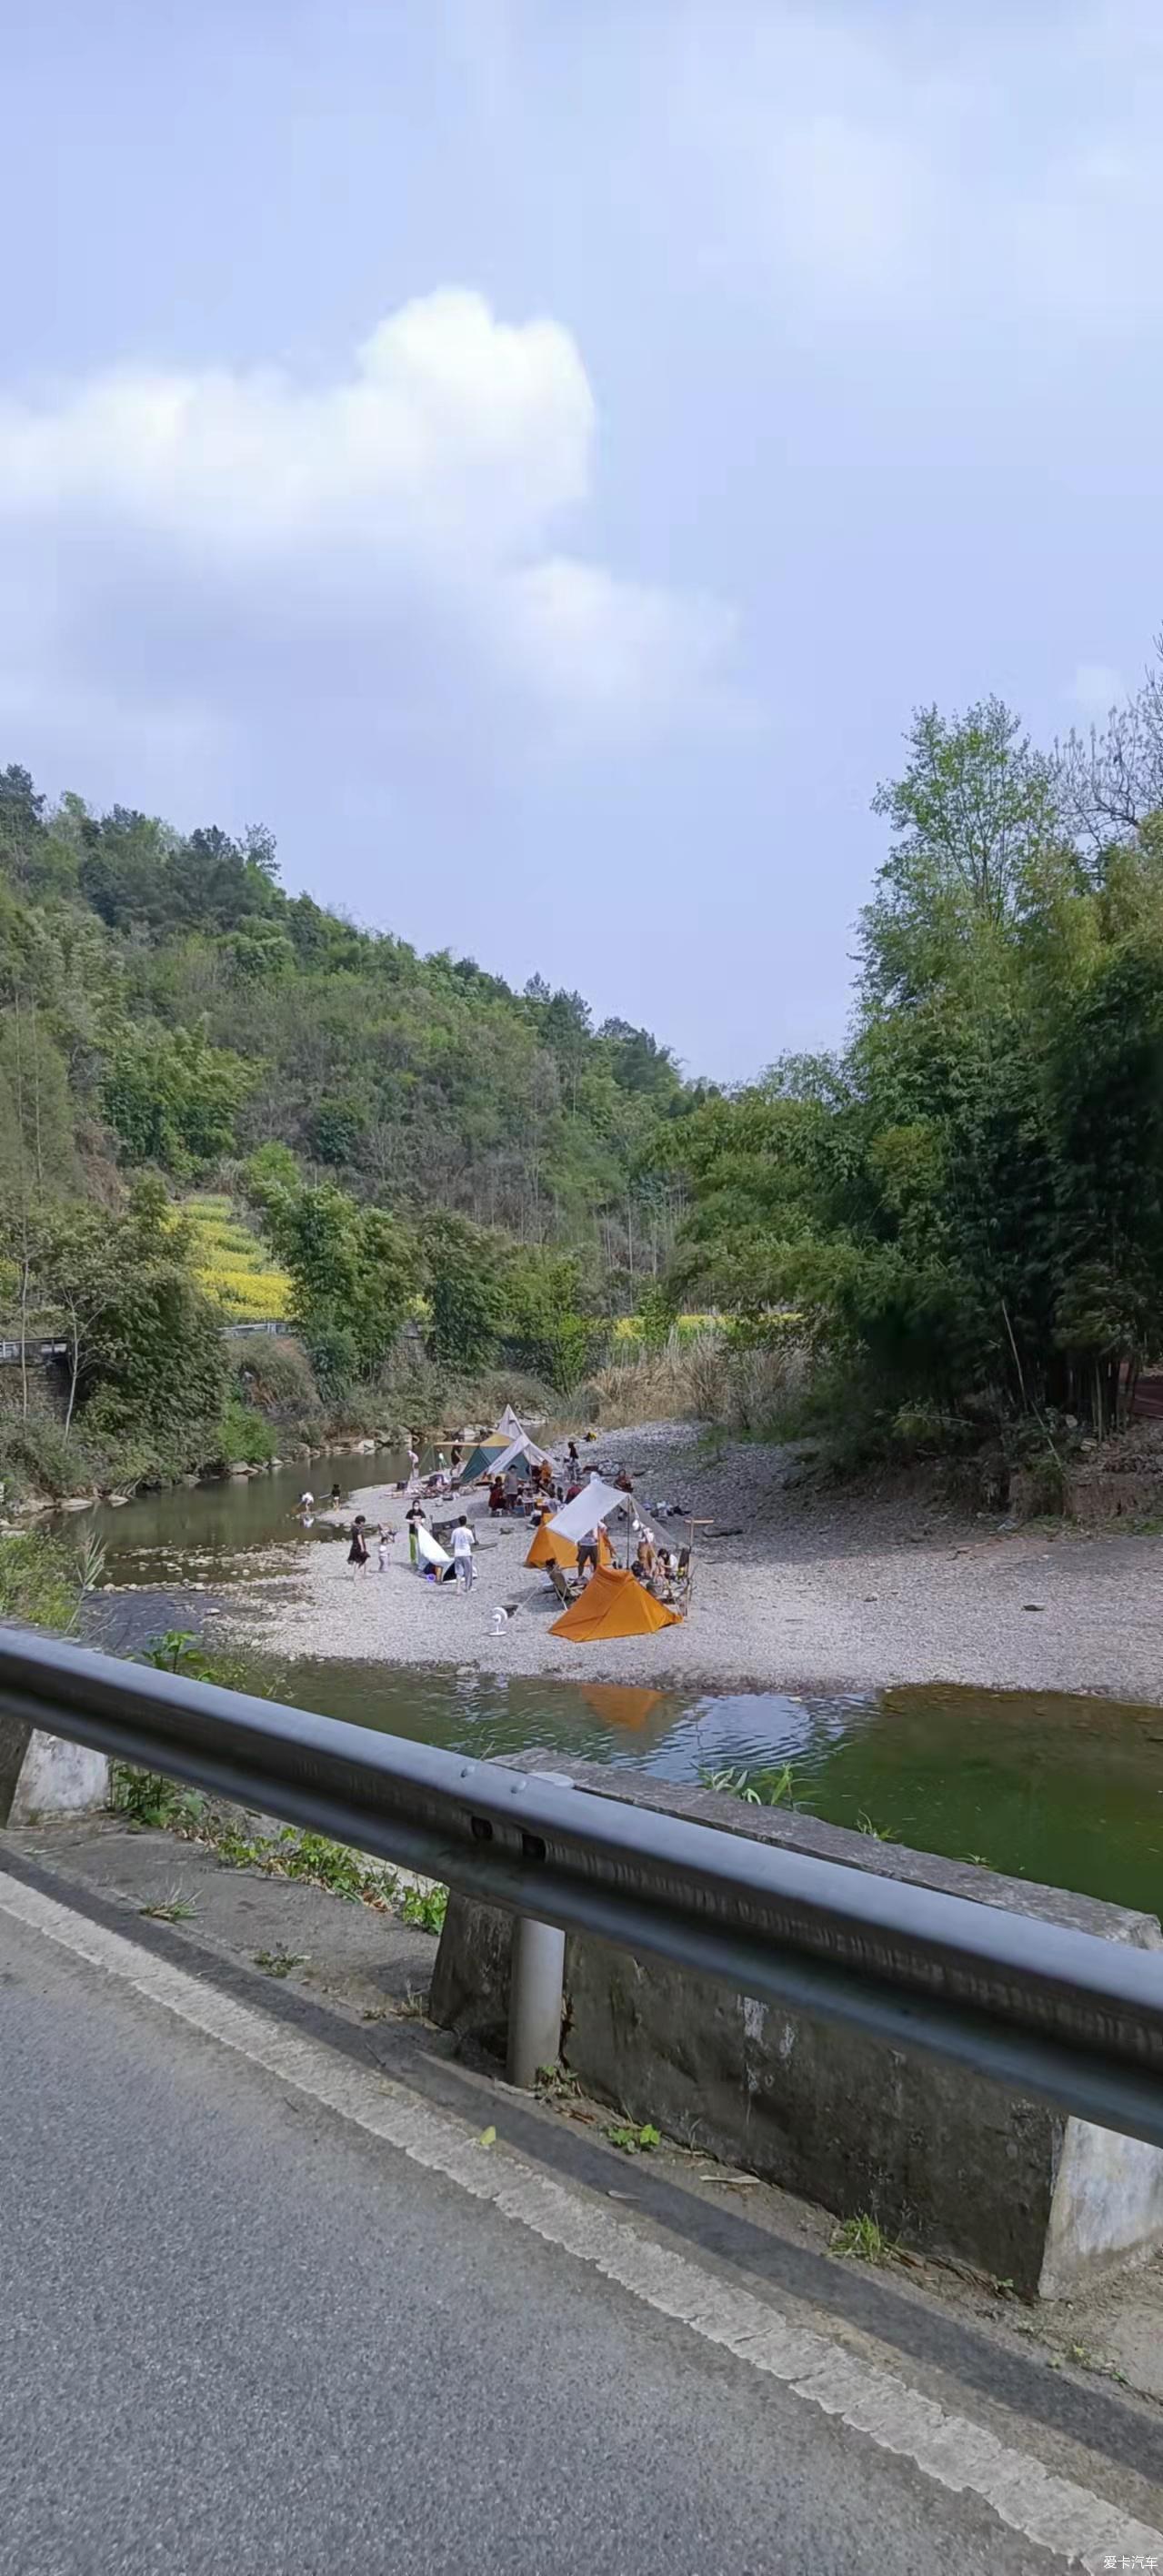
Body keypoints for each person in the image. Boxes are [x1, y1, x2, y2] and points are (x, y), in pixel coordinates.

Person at [451, 1515, 476, 1595]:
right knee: (468, 1571)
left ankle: (458, 1589)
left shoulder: (455, 1531)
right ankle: (468, 1588)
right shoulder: (468, 1531)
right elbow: (472, 1542)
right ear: (466, 1522)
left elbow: (452, 1543)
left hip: (457, 1553)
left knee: (459, 1572)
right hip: (466, 1553)